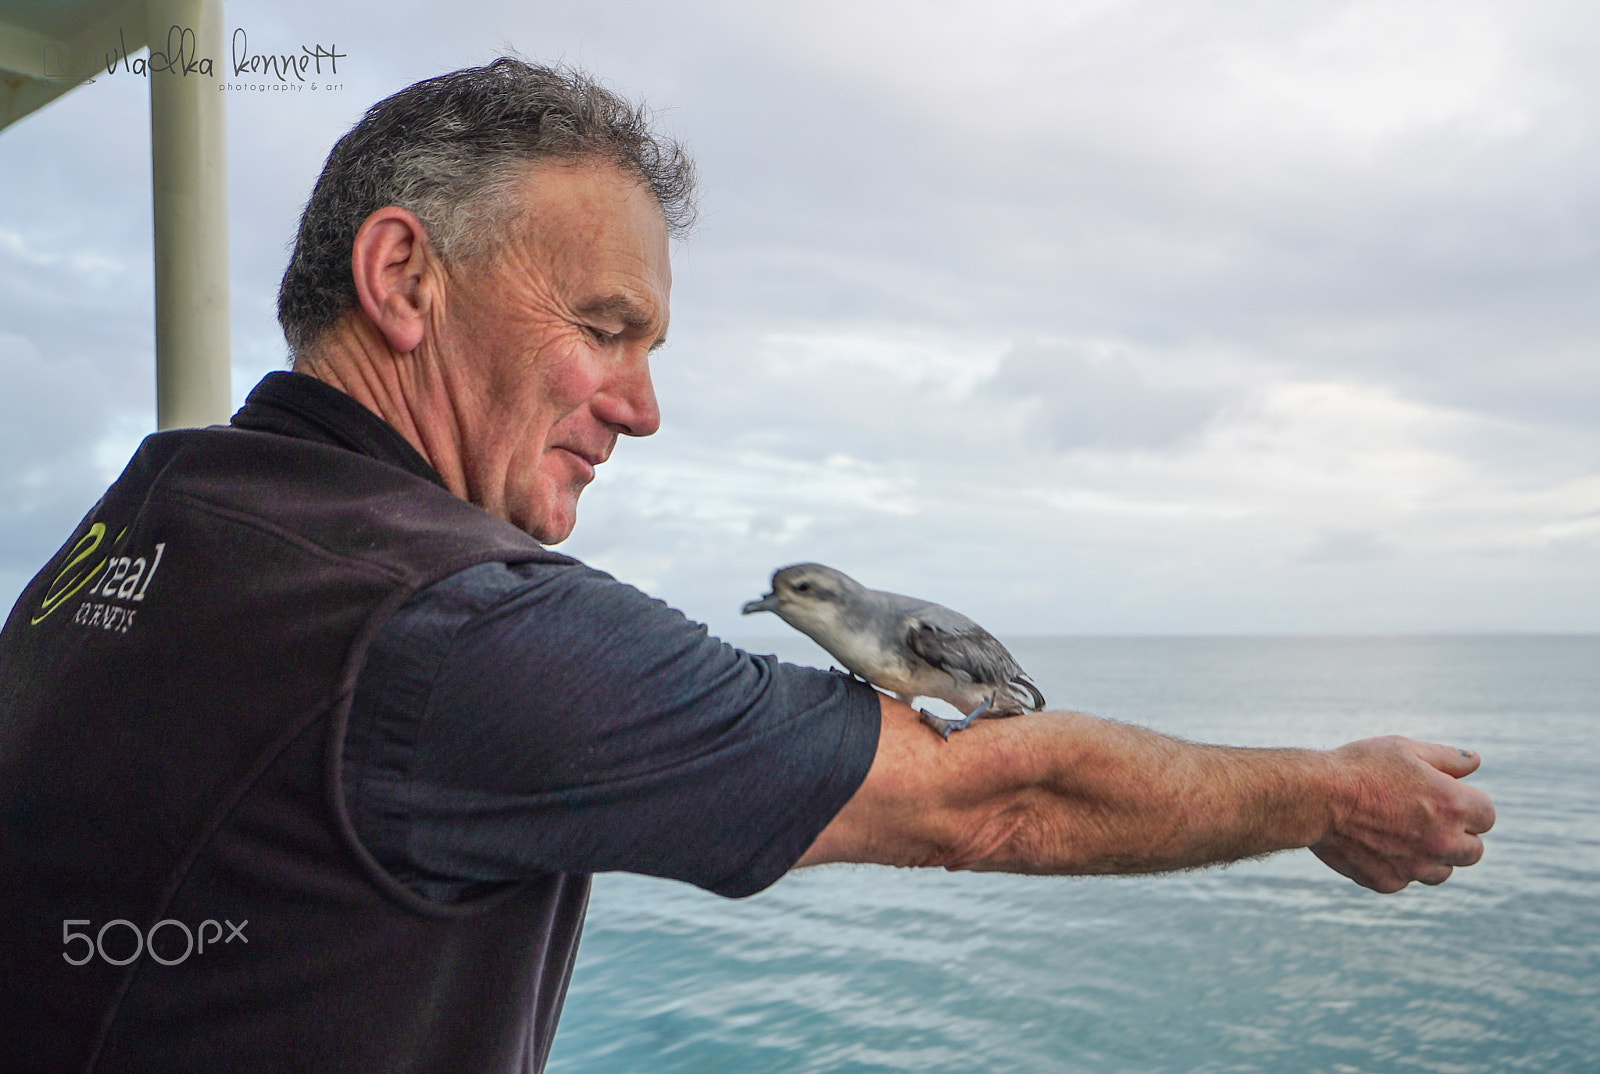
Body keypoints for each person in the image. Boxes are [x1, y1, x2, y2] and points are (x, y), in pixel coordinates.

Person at [0, 59, 1494, 1073]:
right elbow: (1000, 797)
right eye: (604, 327)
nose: (643, 407)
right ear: (404, 278)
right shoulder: (449, 627)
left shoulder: (147, 513)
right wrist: (1330, 791)